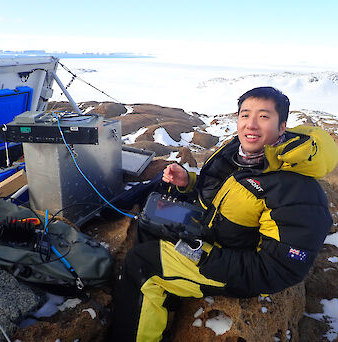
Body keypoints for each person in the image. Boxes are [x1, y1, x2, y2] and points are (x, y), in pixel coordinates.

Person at [111, 87, 338, 342]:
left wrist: (201, 256)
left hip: (232, 261)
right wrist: (189, 182)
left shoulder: (297, 190)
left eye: (263, 117)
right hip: (212, 228)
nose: (250, 125)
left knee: (142, 265)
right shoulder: (238, 152)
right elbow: (225, 192)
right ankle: (164, 299)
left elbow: (275, 270)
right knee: (150, 218)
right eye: (245, 115)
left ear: (282, 125)